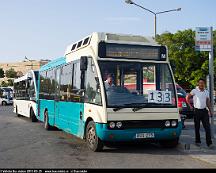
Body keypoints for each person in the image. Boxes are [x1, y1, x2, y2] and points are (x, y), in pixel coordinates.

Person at [186, 78, 214, 149]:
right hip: (197, 111)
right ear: (198, 84)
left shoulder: (206, 92)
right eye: (200, 83)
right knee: (197, 127)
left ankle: (209, 143)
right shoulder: (194, 91)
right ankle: (198, 141)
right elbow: (187, 98)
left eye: (202, 83)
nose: (201, 84)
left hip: (204, 111)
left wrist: (210, 111)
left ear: (204, 84)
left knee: (207, 127)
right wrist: (190, 106)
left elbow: (208, 102)